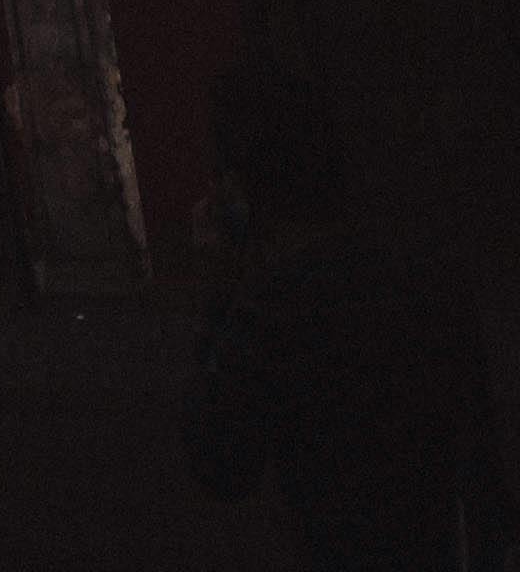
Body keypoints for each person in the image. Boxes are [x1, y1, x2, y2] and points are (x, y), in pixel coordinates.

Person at [184, 76, 510, 566]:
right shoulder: (420, 278)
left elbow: (221, 464)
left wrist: (221, 292)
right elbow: (480, 450)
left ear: (248, 192)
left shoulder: (272, 309)